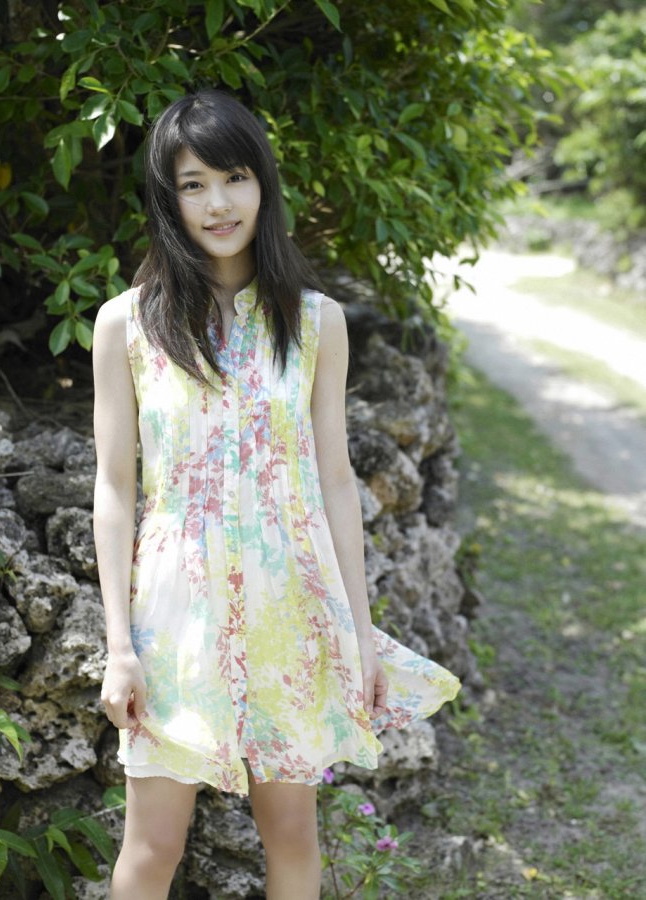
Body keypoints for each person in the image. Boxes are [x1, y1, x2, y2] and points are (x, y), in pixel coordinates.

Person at [92, 89, 461, 900]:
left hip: (291, 605)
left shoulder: (317, 321)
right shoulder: (126, 324)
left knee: (292, 833)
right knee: (152, 848)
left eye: (234, 177)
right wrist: (119, 647)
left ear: (263, 182)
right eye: (194, 184)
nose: (218, 203)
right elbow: (115, 488)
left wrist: (359, 633)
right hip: (173, 618)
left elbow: (334, 480)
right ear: (168, 198)